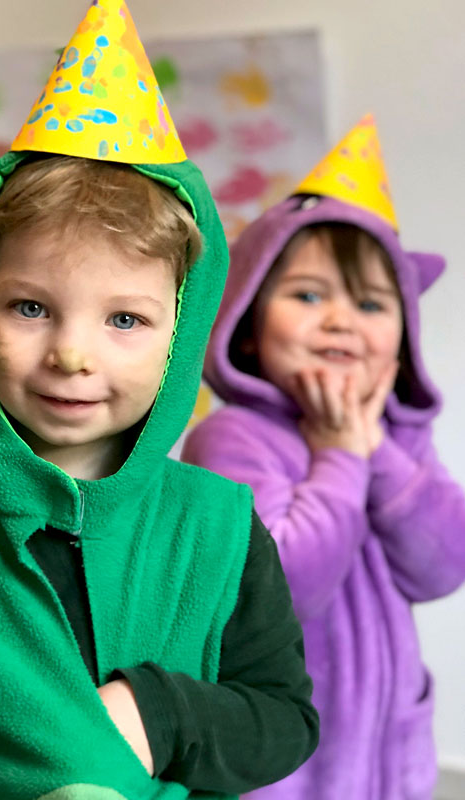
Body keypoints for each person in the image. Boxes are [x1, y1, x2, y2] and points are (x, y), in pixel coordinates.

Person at [0, 2, 318, 799]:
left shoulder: (221, 528)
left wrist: (164, 712)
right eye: (31, 307)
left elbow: (285, 720)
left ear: (180, 336)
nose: (73, 353)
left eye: (125, 319)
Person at [182, 115, 465, 800]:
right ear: (247, 328)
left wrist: (376, 455)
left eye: (371, 303)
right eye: (309, 296)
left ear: (403, 338)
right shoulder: (233, 439)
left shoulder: (396, 438)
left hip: (388, 748)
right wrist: (339, 457)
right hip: (287, 763)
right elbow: (285, 591)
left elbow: (443, 566)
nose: (341, 320)